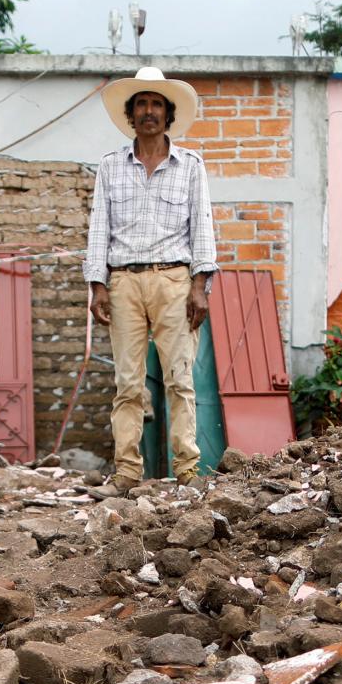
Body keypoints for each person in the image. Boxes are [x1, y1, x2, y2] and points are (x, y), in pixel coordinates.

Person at [83, 66, 218, 491]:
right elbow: (99, 228)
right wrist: (97, 285)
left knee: (180, 379)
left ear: (167, 114)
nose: (148, 111)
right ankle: (126, 472)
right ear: (131, 114)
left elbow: (203, 227)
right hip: (123, 282)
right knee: (128, 383)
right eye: (141, 103)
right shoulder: (110, 166)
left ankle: (188, 471)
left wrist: (200, 286)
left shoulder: (190, 166)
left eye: (156, 104)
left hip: (173, 281)